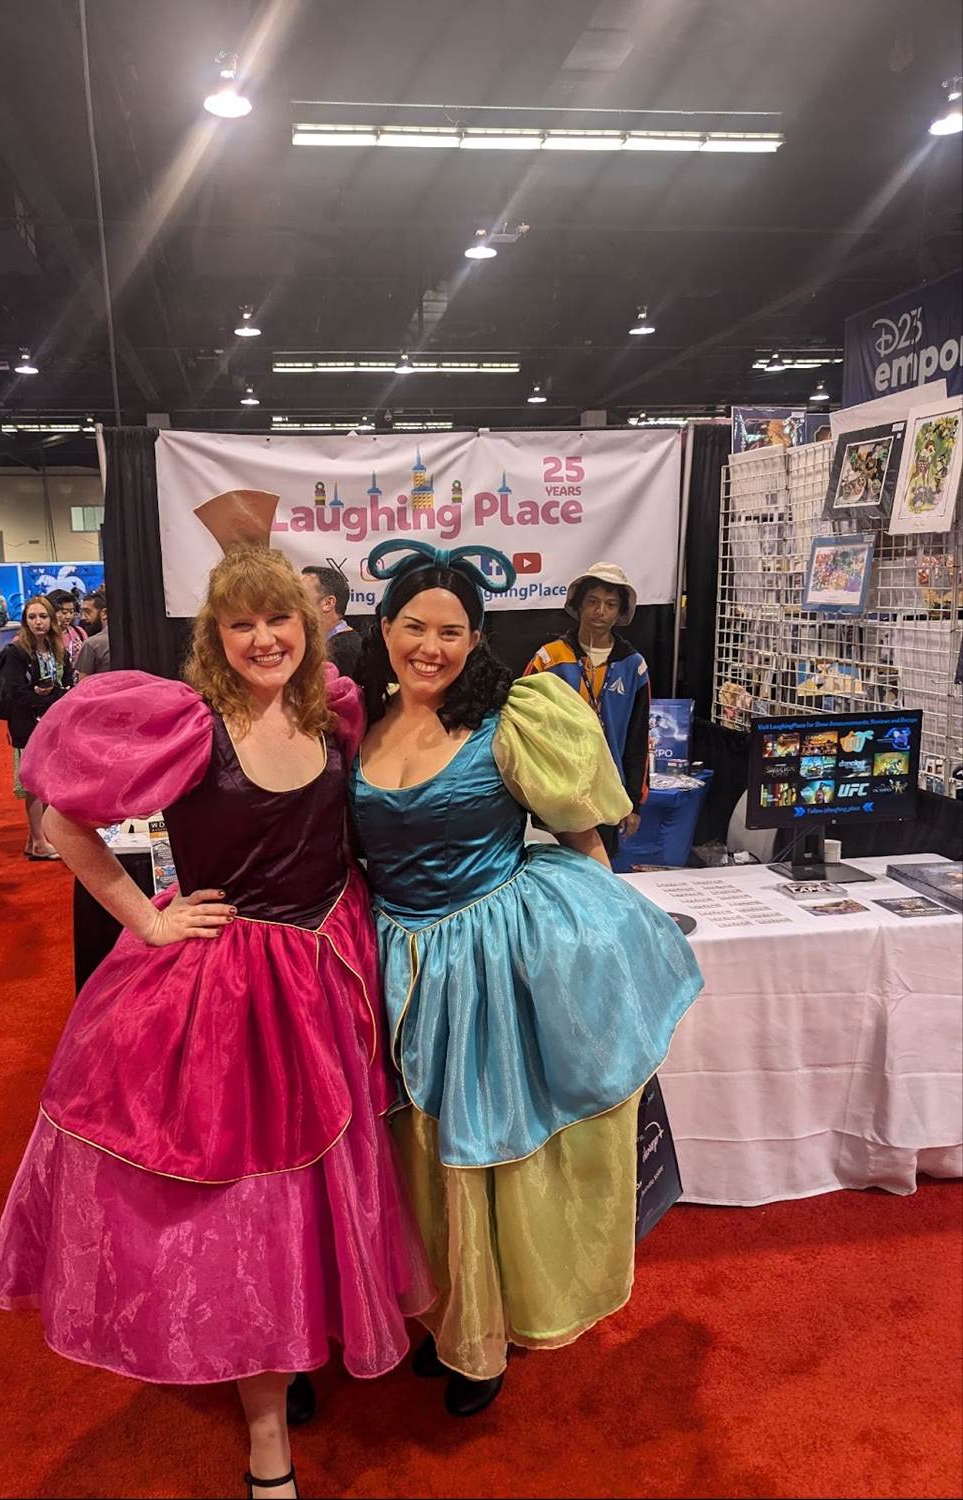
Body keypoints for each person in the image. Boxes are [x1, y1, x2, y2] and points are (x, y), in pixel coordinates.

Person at [0, 546, 432, 1500]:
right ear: (215, 637)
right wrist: (146, 920)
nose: (264, 639)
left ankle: (306, 1337)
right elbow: (60, 818)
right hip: (229, 993)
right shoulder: (188, 727)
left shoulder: (334, 712)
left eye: (280, 619)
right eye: (242, 624)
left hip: (330, 973)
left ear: (311, 625)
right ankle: (268, 1442)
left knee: (318, 1184)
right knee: (245, 1206)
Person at [349, 540, 702, 1416]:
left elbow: (583, 834)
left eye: (451, 631)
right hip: (390, 963)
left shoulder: (514, 718)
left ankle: (488, 1336)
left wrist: (605, 945)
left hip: (488, 963)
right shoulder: (354, 725)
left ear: (476, 638)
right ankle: (445, 1311)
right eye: (413, 627)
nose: (430, 647)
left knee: (487, 1150)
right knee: (416, 1148)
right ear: (384, 629)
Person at [524, 562, 651, 858]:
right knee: (554, 871)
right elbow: (522, 727)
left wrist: (633, 803)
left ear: (620, 612)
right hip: (555, 790)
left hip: (606, 794)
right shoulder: (549, 658)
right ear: (579, 605)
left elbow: (638, 740)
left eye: (610, 604)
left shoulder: (633, 666)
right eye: (592, 601)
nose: (600, 611)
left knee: (598, 873)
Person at [0, 596, 74, 859]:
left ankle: (35, 839)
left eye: (42, 616)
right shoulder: (16, 652)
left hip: (52, 722)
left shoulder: (56, 648)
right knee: (35, 785)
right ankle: (39, 842)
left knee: (48, 783)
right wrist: (46, 696)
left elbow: (66, 683)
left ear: (51, 619)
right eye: (32, 617)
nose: (38, 622)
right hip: (27, 725)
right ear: (25, 621)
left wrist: (53, 695)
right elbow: (16, 693)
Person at [301, 564, 363, 679]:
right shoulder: (323, 645)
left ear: (328, 603)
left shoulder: (344, 652)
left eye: (301, 595)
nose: (292, 602)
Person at [73, 589, 109, 677]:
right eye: (82, 612)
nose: (83, 617)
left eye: (87, 612)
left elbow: (83, 682)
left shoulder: (91, 644)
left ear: (104, 613)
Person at [47, 590, 88, 664]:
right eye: (64, 612)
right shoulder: (45, 635)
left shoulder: (79, 632)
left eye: (71, 612)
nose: (68, 616)